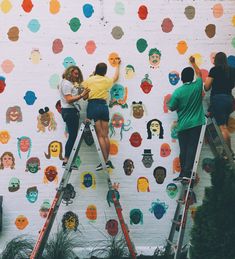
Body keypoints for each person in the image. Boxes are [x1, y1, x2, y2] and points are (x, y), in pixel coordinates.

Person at [167, 56, 206, 181]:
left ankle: (183, 172)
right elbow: (200, 74)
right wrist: (194, 63)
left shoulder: (178, 92)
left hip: (183, 125)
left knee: (183, 149)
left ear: (182, 79)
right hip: (196, 123)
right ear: (192, 77)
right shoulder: (197, 86)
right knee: (192, 147)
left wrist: (170, 102)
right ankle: (187, 172)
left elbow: (171, 107)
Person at [82, 60, 121, 171]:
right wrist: (118, 65)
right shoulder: (107, 80)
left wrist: (92, 76)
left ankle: (104, 162)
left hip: (93, 105)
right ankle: (106, 160)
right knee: (105, 135)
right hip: (104, 107)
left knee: (99, 135)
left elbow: (83, 92)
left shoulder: (90, 80)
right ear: (105, 72)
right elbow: (116, 77)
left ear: (96, 70)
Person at [204, 52, 235, 157]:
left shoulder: (214, 70)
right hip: (229, 101)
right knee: (224, 127)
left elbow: (206, 87)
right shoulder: (232, 70)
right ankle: (227, 151)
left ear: (216, 60)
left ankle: (229, 152)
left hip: (218, 100)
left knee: (222, 128)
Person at [59, 65, 90, 168]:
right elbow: (69, 99)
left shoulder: (70, 84)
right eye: (75, 74)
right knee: (72, 136)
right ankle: (66, 160)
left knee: (73, 136)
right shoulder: (67, 84)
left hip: (70, 111)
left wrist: (84, 92)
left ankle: (68, 160)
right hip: (69, 111)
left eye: (78, 74)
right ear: (70, 72)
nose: (77, 76)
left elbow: (85, 98)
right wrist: (81, 95)